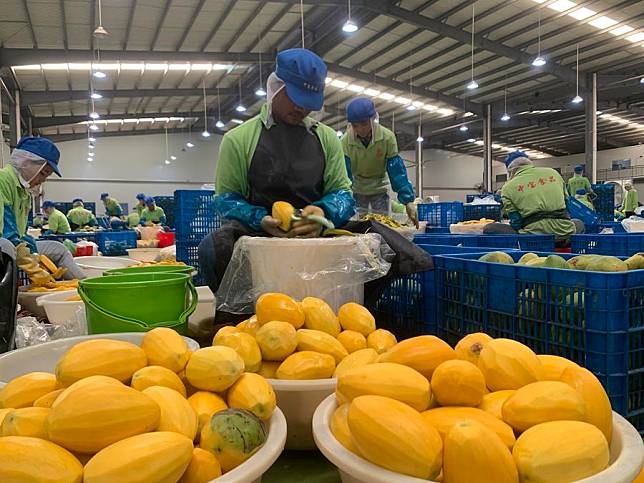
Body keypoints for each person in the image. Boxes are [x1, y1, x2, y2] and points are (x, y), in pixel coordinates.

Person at [198, 48, 431, 324]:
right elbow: (225, 199)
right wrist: (260, 219)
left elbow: (344, 195)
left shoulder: (327, 138)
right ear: (276, 87)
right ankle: (238, 322)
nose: (301, 108)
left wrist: (321, 214)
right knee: (212, 248)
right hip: (261, 231)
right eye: (295, 99)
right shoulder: (239, 139)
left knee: (388, 244)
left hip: (318, 230)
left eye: (308, 102)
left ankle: (355, 316)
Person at [0, 136, 84, 279]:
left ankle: (83, 287)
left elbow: (21, 234)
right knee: (7, 246)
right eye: (44, 173)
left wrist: (32, 250)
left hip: (15, 246)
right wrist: (33, 268)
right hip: (5, 245)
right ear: (26, 163)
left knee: (58, 249)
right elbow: (7, 232)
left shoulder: (25, 193)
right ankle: (7, 299)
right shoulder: (3, 181)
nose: (43, 180)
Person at [342, 97, 418, 227]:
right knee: (359, 227)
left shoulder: (387, 138)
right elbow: (344, 176)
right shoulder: (345, 142)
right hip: (357, 190)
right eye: (355, 125)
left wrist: (408, 201)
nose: (360, 129)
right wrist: (344, 200)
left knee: (384, 227)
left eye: (364, 124)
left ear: (373, 119)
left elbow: (397, 171)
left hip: (379, 189)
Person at [484, 151, 579, 246]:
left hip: (533, 239)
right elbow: (567, 205)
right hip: (565, 235)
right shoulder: (553, 173)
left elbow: (516, 222)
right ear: (529, 163)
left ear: (510, 170)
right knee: (578, 223)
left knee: (490, 228)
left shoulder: (507, 188)